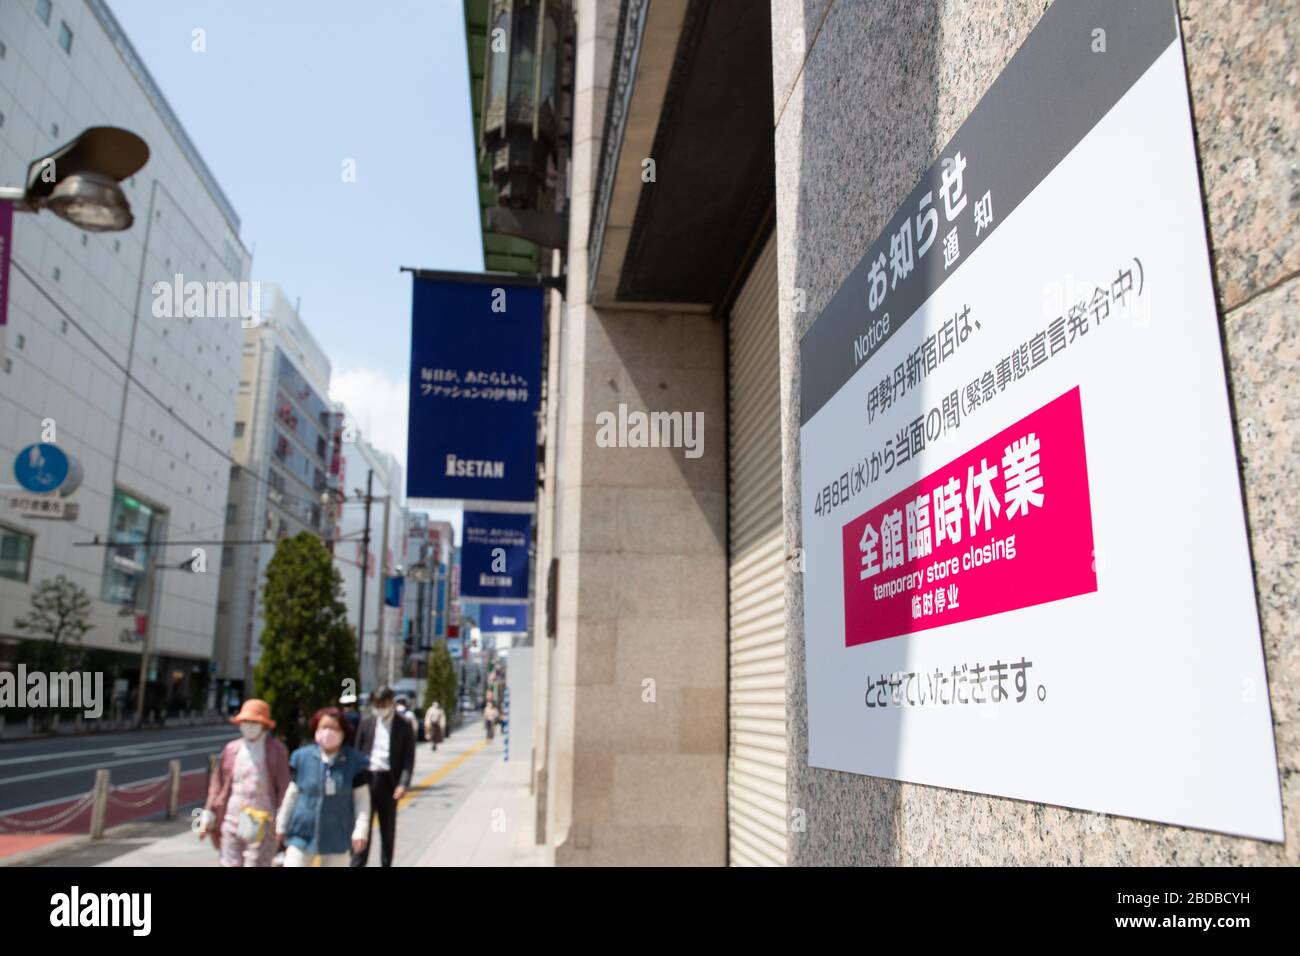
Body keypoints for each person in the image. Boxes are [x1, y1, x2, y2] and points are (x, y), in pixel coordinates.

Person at [198, 698, 290, 867]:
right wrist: (208, 814)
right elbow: (217, 784)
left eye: (254, 722)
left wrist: (282, 821)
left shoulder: (276, 750)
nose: (248, 726)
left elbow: (284, 788)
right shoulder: (231, 749)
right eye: (245, 721)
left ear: (263, 724)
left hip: (263, 821)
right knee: (229, 862)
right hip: (231, 818)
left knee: (256, 863)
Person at [276, 707, 371, 867]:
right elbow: (292, 794)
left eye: (334, 728)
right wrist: (281, 826)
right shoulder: (302, 757)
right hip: (302, 833)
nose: (328, 732)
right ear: (316, 729)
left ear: (343, 732)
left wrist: (361, 830)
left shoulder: (355, 761)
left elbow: (362, 800)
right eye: (324, 727)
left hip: (338, 835)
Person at [350, 686, 416, 867]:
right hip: (367, 779)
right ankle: (357, 864)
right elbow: (357, 752)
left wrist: (403, 784)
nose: (379, 707)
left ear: (391, 703)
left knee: (387, 830)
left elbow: (408, 758)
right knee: (362, 827)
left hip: (389, 782)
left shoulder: (404, 725)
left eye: (383, 704)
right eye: (376, 704)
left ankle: (386, 864)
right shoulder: (367, 722)